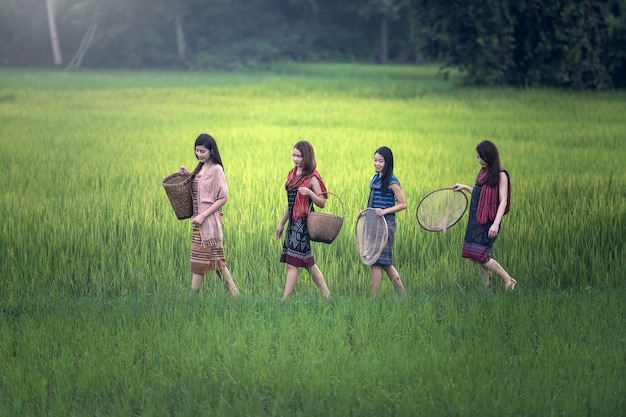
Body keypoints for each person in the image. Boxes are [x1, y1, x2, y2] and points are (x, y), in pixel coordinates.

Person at [177, 133, 241, 298]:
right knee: (216, 263)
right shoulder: (200, 168)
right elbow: (197, 190)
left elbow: (223, 197)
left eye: (202, 151)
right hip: (198, 224)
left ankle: (192, 299)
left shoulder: (216, 169)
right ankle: (236, 296)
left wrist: (203, 215)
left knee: (204, 263)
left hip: (209, 224)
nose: (199, 154)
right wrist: (186, 175)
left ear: (211, 151)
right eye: (197, 151)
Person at [453, 140, 517, 291]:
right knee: (475, 256)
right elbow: (480, 195)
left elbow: (503, 201)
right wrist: (465, 187)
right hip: (476, 219)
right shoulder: (483, 173)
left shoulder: (501, 175)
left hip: (489, 220)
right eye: (477, 157)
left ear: (489, 156)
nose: (479, 160)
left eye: (481, 157)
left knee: (481, 255)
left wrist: (496, 223)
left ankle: (508, 280)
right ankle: (486, 289)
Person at [275, 141, 331, 300]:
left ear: (306, 157)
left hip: (304, 223)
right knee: (307, 263)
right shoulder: (291, 174)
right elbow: (290, 203)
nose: (296, 158)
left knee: (292, 263)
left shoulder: (312, 177)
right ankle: (327, 296)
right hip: (292, 223)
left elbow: (321, 203)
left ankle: (285, 300)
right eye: (293, 155)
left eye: (299, 156)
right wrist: (281, 224)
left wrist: (309, 193)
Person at [358, 146, 407, 297]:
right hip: (372, 224)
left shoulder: (392, 181)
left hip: (385, 225)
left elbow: (402, 204)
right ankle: (403, 295)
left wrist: (384, 211)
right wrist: (364, 212)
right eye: (375, 160)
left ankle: (375, 298)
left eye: (381, 161)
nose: (377, 163)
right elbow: (372, 203)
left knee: (380, 261)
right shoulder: (374, 179)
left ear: (387, 162)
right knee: (380, 262)